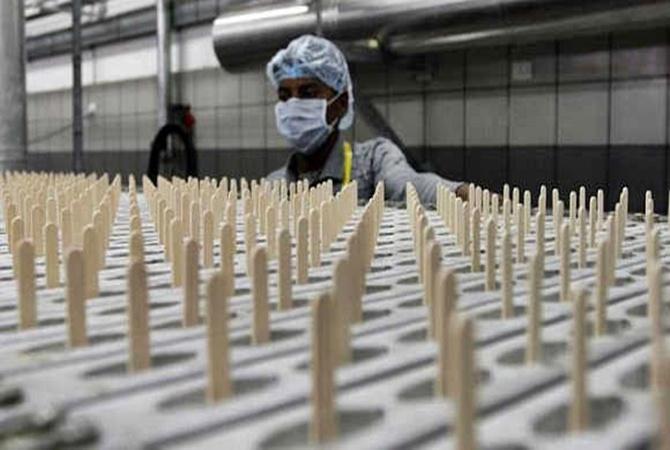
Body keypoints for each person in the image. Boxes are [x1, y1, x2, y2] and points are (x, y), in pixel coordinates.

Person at [266, 35, 467, 205]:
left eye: (308, 93)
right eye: (284, 96)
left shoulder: (373, 162)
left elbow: (410, 185)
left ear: (341, 102)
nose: (293, 104)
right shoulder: (273, 186)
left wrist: (463, 193)